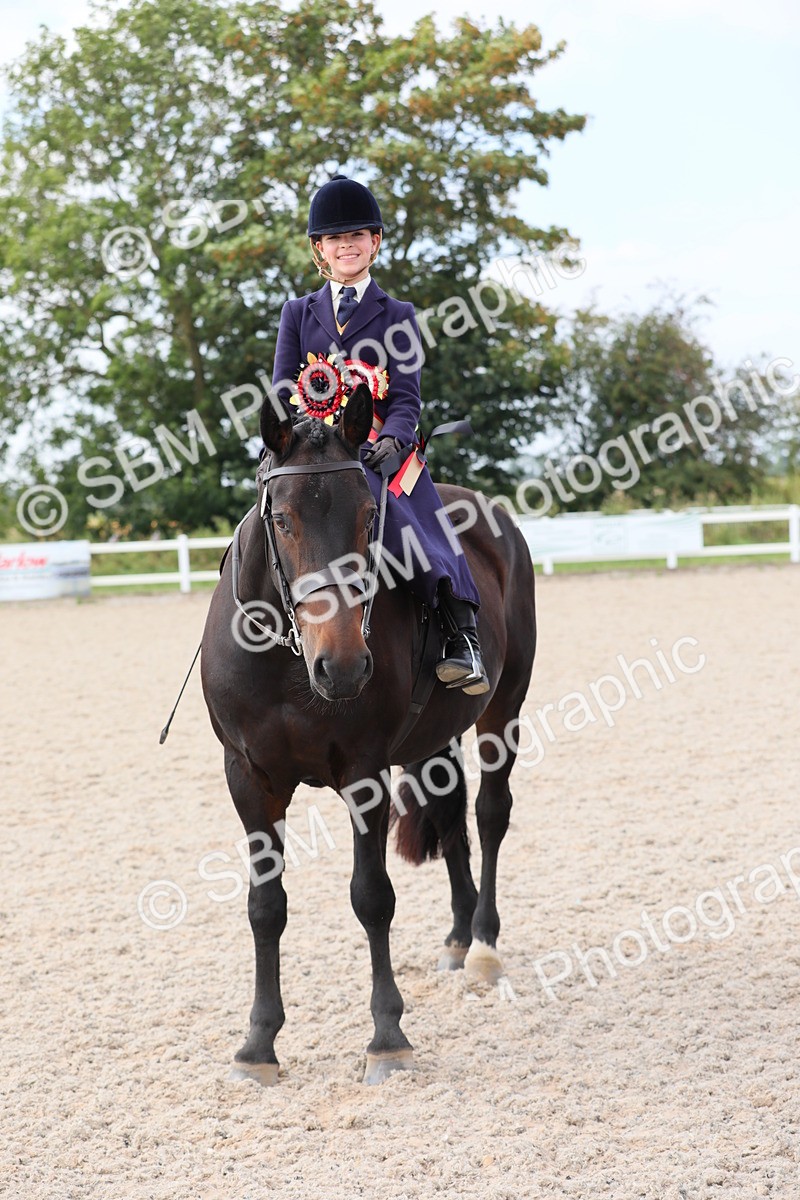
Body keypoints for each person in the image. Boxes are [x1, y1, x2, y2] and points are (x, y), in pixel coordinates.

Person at [270, 174, 488, 695]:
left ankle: (461, 633)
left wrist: (393, 438)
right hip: (311, 451)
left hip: (375, 451)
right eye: (336, 239)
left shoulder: (399, 316)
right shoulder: (297, 314)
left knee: (416, 526)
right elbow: (283, 388)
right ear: (319, 249)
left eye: (358, 236)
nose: (347, 245)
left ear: (375, 242)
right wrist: (290, 443)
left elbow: (406, 397)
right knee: (273, 520)